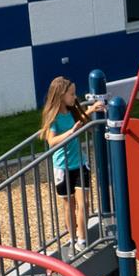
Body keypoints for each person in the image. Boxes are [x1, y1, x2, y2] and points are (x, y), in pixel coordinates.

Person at [41, 76, 93, 250]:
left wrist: (92, 109)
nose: (75, 96)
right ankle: (72, 237)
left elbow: (80, 121)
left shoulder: (71, 111)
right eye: (71, 93)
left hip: (80, 163)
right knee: (68, 205)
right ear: (61, 95)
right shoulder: (53, 117)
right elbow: (52, 141)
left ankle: (82, 239)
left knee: (83, 203)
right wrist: (71, 132)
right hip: (62, 167)